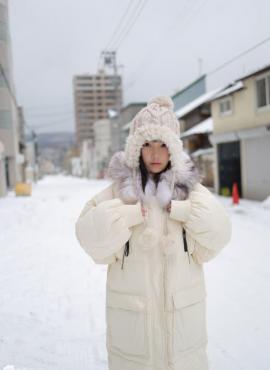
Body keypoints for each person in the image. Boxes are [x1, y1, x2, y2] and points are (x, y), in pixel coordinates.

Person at [75, 96, 232, 370]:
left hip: (183, 338)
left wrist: (182, 210)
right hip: (134, 338)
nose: (156, 154)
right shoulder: (119, 193)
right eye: (147, 145)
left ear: (174, 149)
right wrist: (128, 214)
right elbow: (89, 237)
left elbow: (219, 235)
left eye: (163, 145)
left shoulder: (192, 193)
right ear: (136, 149)